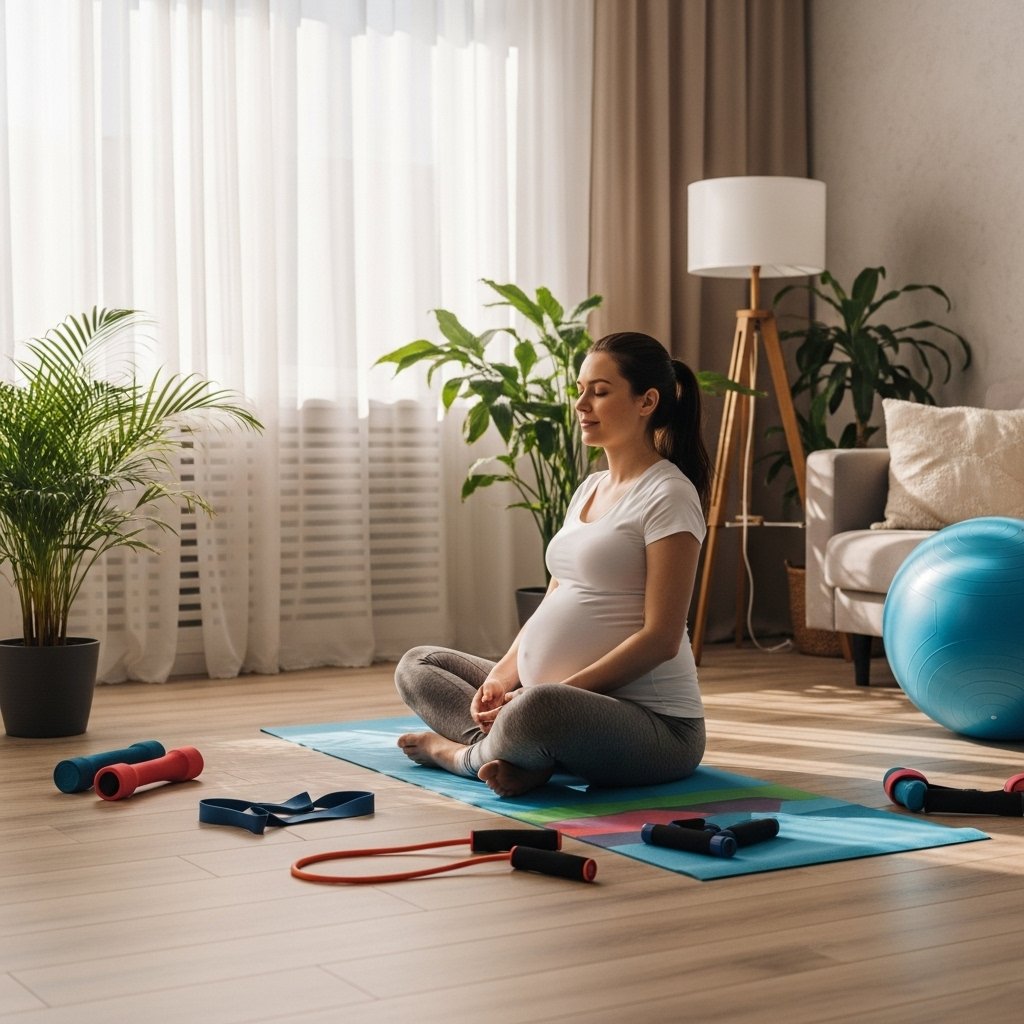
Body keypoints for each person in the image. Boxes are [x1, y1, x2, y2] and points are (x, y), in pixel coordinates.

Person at [394, 331, 711, 797]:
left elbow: (661, 639)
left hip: (657, 729)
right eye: (580, 390)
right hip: (551, 702)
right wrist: (502, 679)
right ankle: (522, 753)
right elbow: (554, 599)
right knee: (418, 664)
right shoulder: (589, 489)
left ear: (647, 401)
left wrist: (551, 693)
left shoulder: (669, 494)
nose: (582, 404)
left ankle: (459, 755)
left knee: (540, 708)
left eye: (600, 392)